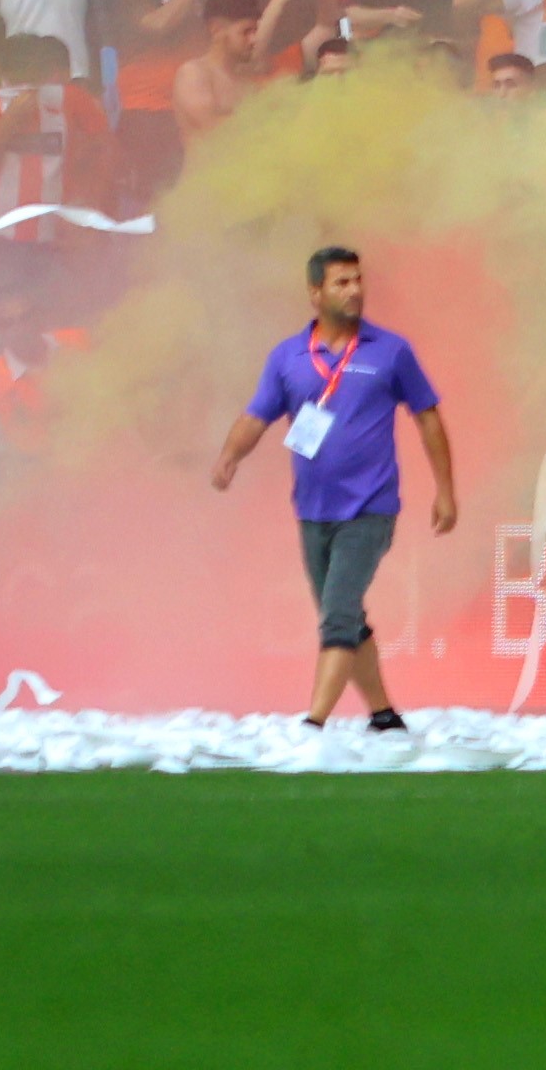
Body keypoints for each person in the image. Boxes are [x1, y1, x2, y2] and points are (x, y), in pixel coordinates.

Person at [207, 241, 459, 734]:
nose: (355, 290)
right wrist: (229, 457)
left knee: (337, 617)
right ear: (315, 293)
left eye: (358, 280)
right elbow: (256, 415)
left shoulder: (390, 351)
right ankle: (384, 715)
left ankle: (313, 723)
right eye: (342, 282)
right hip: (312, 510)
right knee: (343, 614)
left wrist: (445, 490)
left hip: (370, 509)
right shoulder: (288, 358)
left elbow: (428, 418)